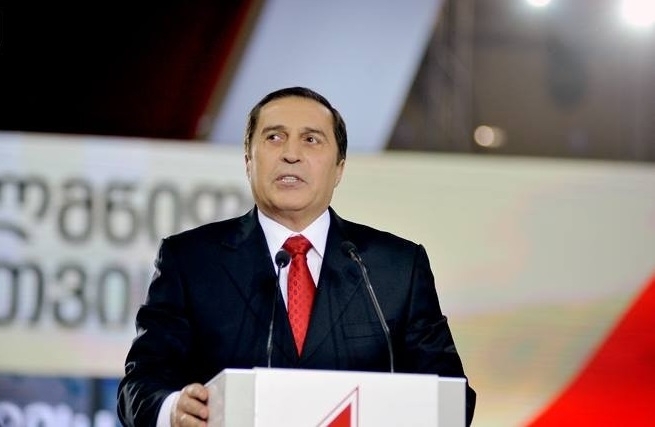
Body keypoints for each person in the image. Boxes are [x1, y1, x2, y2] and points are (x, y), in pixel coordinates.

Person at [117, 86, 476, 426]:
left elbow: (453, 399)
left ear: (339, 168)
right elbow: (139, 387)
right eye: (274, 137)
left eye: (311, 139)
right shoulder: (191, 260)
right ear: (248, 160)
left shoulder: (396, 267)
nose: (291, 154)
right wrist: (173, 410)